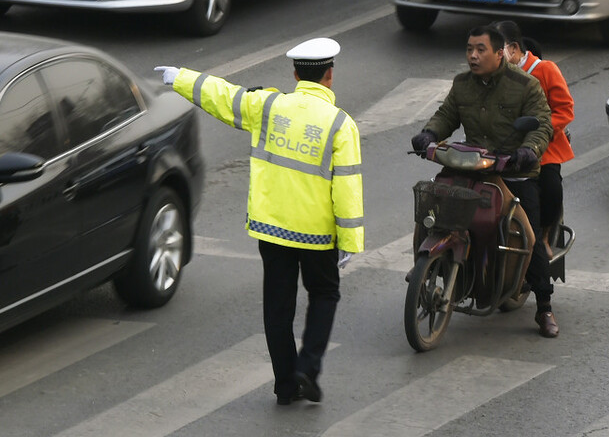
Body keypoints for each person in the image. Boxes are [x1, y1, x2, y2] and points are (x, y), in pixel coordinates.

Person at [155, 37, 364, 406]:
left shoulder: (266, 106)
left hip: (271, 229)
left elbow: (222, 96)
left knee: (277, 307)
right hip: (318, 236)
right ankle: (308, 368)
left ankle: (285, 384)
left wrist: (179, 77)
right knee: (324, 294)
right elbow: (347, 189)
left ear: (296, 74)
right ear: (329, 76)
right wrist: (349, 242)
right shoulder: (340, 125)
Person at [410, 25, 558, 337]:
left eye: (480, 50)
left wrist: (528, 151)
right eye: (469, 50)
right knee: (434, 208)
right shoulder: (462, 84)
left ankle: (544, 306)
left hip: (514, 171)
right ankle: (426, 264)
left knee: (528, 236)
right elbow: (447, 114)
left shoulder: (525, 85)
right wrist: (430, 134)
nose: (473, 56)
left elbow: (542, 124)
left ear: (499, 52)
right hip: (474, 165)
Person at [492, 21, 575, 255]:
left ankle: (545, 235)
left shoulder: (546, 70)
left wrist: (539, 132)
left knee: (551, 189)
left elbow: (565, 110)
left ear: (514, 49)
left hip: (543, 148)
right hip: (504, 147)